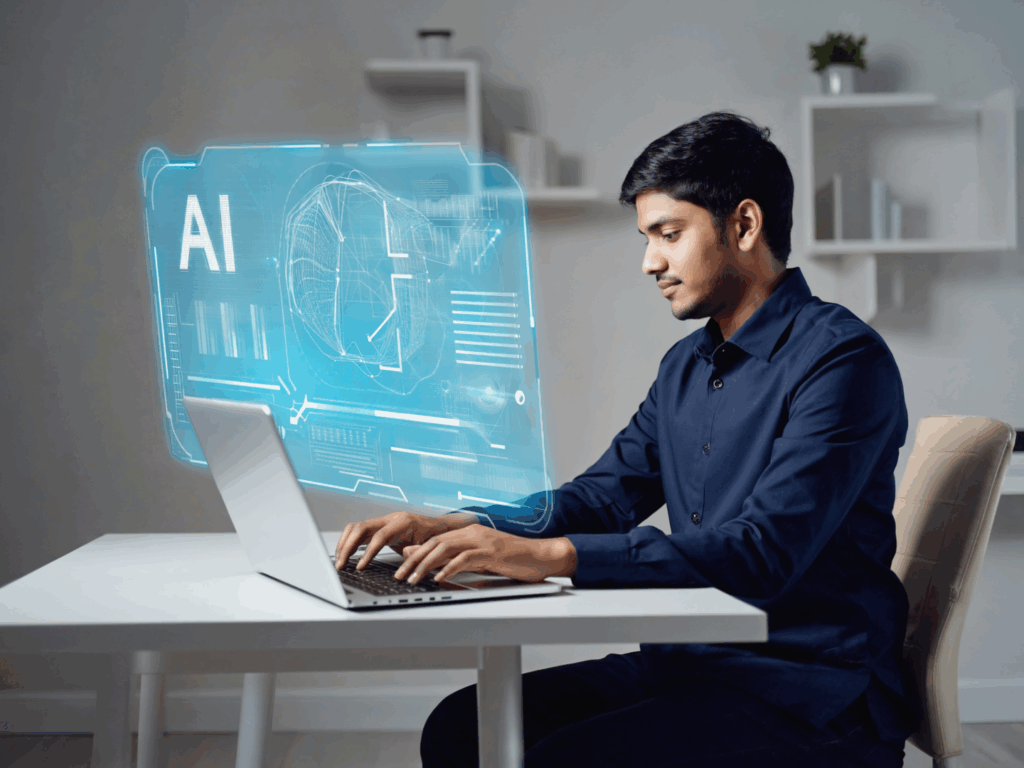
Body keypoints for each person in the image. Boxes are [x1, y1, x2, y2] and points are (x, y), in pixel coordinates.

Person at [334, 111, 920, 767]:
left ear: (745, 225)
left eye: (668, 234)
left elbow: (764, 551)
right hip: (692, 663)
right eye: (646, 238)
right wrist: (459, 525)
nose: (649, 262)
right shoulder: (684, 368)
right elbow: (601, 499)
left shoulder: (843, 362)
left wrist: (550, 557)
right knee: (461, 727)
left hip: (811, 694)